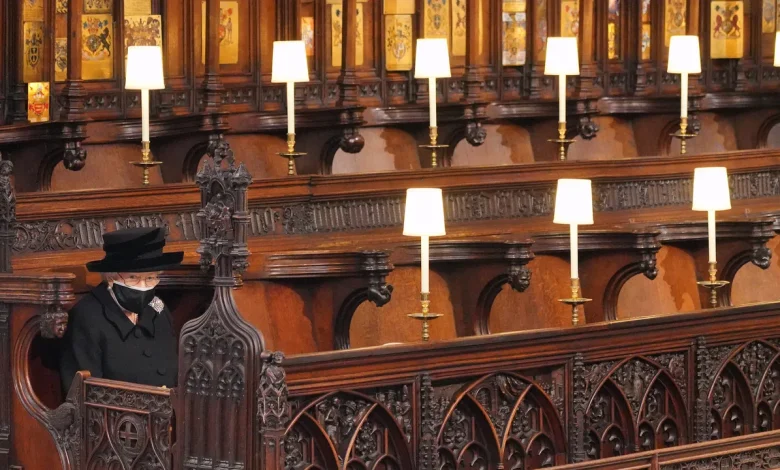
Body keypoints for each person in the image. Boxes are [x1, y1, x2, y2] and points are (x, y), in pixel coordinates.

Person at [59, 227, 183, 393]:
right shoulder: (87, 317)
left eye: (151, 278)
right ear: (111, 277)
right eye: (133, 278)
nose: (143, 287)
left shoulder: (158, 309)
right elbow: (84, 395)